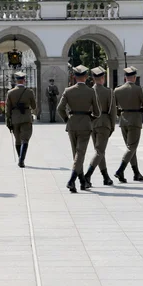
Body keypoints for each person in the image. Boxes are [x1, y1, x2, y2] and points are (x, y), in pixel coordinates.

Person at [57, 65, 100, 193]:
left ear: (74, 77)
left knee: (76, 153)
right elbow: (97, 112)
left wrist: (67, 119)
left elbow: (60, 108)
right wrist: (90, 118)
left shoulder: (68, 90)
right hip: (85, 125)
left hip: (72, 124)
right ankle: (71, 180)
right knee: (80, 153)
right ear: (86, 77)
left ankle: (81, 182)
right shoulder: (91, 91)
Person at [113, 66, 143, 183]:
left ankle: (136, 173)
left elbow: (114, 107)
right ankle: (120, 170)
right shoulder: (139, 90)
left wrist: (121, 114)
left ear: (125, 78)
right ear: (134, 77)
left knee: (130, 148)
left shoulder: (117, 90)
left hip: (123, 120)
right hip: (135, 119)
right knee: (132, 147)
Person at [84, 67, 117, 186]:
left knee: (99, 151)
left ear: (93, 78)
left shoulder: (88, 91)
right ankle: (87, 176)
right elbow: (112, 111)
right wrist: (112, 126)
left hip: (92, 123)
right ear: (103, 78)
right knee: (100, 151)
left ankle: (106, 177)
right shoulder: (108, 91)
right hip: (104, 123)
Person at [5, 71, 37, 168]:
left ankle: (20, 158)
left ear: (16, 80)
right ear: (24, 80)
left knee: (17, 140)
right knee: (25, 139)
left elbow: (7, 109)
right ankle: (21, 160)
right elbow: (34, 106)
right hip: (26, 117)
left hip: (15, 118)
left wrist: (8, 120)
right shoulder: (29, 92)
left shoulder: (10, 92)